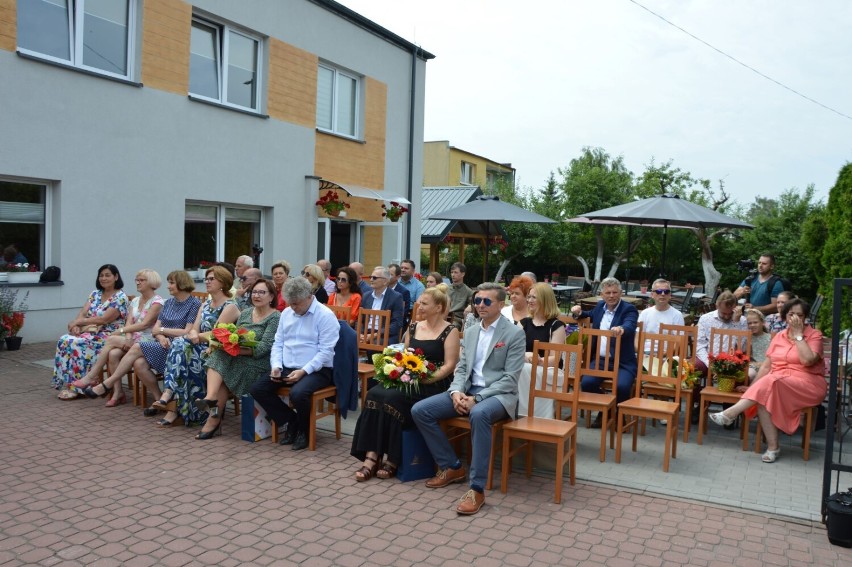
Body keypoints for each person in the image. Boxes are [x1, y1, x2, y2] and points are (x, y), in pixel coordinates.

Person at [412, 283, 525, 515]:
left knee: (479, 413)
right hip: (468, 392)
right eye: (477, 301)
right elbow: (462, 369)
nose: (480, 305)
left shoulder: (514, 333)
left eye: (486, 301)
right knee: (421, 410)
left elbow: (510, 379)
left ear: (500, 305)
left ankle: (477, 489)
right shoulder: (472, 330)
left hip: (498, 396)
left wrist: (478, 398)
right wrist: (456, 392)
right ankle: (452, 467)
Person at [351, 284, 460, 481]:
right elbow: (404, 355)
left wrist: (426, 379)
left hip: (434, 384)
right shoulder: (414, 327)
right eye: (419, 303)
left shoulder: (450, 331)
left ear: (438, 307)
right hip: (409, 379)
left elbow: (449, 365)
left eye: (425, 304)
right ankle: (372, 455)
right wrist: (399, 371)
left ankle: (393, 458)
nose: (420, 307)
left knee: (392, 398)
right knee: (374, 393)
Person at [710, 299, 826, 463]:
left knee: (772, 381)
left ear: (805, 317)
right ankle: (773, 448)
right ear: (785, 317)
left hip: (808, 384)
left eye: (799, 315)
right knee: (764, 395)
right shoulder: (779, 336)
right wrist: (752, 388)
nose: (795, 318)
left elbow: (807, 360)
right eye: (791, 314)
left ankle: (731, 413)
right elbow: (766, 367)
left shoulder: (814, 335)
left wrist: (799, 335)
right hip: (777, 382)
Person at [85, 270, 201, 407]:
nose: (168, 286)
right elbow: (155, 329)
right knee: (139, 364)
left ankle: (107, 384)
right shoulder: (169, 303)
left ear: (182, 284)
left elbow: (187, 331)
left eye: (171, 283)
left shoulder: (195, 304)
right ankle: (159, 400)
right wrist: (161, 335)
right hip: (162, 344)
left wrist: (162, 331)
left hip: (179, 348)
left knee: (136, 346)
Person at [250, 277, 340, 451]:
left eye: (296, 304)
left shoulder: (325, 315)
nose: (293, 308)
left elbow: (326, 352)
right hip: (287, 367)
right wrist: (276, 366)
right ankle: (292, 421)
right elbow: (278, 343)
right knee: (257, 389)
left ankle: (304, 431)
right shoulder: (286, 313)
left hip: (317, 370)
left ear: (309, 296)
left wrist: (304, 371)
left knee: (298, 394)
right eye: (290, 304)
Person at [145, 266, 239, 426]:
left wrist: (195, 337)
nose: (207, 282)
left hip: (215, 350)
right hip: (197, 347)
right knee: (181, 348)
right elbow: (194, 330)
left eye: (211, 279)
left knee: (180, 345)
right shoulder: (205, 305)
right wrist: (194, 336)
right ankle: (172, 400)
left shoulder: (230, 306)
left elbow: (216, 334)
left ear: (222, 282)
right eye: (206, 279)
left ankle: (170, 397)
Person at [194, 279, 281, 439]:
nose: (257, 295)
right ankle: (211, 402)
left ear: (271, 297)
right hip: (238, 357)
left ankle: (213, 417)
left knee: (221, 372)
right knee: (218, 358)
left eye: (262, 292)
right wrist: (227, 344)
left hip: (259, 363)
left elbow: (263, 348)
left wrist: (235, 349)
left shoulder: (275, 317)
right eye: (254, 292)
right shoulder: (246, 312)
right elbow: (236, 334)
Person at [72, 269, 164, 406]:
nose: (137, 282)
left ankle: (92, 376)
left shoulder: (158, 302)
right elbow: (129, 322)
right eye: (136, 280)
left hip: (148, 339)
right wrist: (127, 336)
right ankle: (117, 392)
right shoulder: (135, 301)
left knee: (111, 339)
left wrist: (120, 331)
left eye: (141, 280)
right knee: (113, 353)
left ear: (151, 282)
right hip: (133, 338)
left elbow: (144, 325)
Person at [54, 264, 129, 400]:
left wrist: (78, 323)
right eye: (101, 275)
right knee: (65, 340)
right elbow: (83, 312)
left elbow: (104, 319)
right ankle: (70, 383)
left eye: (107, 275)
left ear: (116, 277)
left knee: (77, 343)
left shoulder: (120, 297)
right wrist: (76, 326)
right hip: (90, 331)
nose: (104, 278)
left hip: (109, 334)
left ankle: (78, 387)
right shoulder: (95, 294)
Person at [571, 277, 638, 427]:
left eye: (615, 292)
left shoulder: (629, 309)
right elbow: (588, 315)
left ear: (620, 293)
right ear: (602, 294)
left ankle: (619, 417)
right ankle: (607, 410)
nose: (612, 296)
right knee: (587, 383)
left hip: (623, 362)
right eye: (608, 292)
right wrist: (578, 312)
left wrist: (621, 329)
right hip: (600, 360)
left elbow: (630, 324)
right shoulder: (600, 306)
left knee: (622, 386)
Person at [517, 283, 567, 417]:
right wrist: (525, 355)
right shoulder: (523, 323)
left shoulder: (557, 326)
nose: (529, 300)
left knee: (523, 369)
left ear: (545, 300)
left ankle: (535, 416)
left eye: (534, 297)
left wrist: (537, 360)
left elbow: (555, 359)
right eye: (529, 297)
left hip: (549, 369)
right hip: (525, 365)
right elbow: (514, 350)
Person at [636, 278, 685, 355]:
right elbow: (637, 337)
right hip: (644, 353)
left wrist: (664, 354)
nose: (662, 294)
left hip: (666, 355)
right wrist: (640, 352)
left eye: (666, 291)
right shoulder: (645, 313)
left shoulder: (677, 315)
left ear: (670, 295)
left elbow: (679, 341)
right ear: (652, 294)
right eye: (658, 291)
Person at [360, 266, 404, 344]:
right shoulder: (366, 296)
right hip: (366, 332)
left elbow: (397, 323)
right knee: (347, 340)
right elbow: (359, 319)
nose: (371, 280)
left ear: (385, 281)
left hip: (384, 335)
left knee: (374, 344)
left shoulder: (396, 297)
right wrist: (360, 333)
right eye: (371, 277)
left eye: (374, 278)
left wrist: (375, 335)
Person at [746, 309, 771, 380]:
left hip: (767, 366)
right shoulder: (747, 338)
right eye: (749, 323)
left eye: (755, 322)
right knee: (750, 373)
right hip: (752, 367)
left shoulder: (770, 338)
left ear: (762, 322)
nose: (752, 325)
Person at [447, 262, 473, 330]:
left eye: (456, 272)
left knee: (450, 327)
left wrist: (470, 305)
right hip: (443, 317)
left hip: (456, 320)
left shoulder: (468, 291)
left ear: (463, 274)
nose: (453, 275)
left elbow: (474, 302)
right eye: (452, 272)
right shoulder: (446, 289)